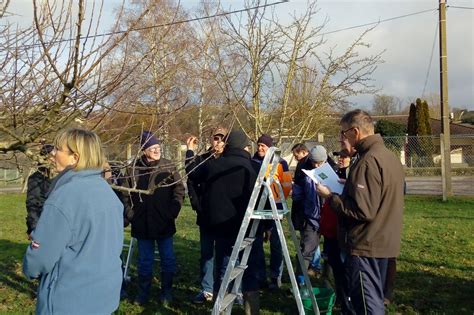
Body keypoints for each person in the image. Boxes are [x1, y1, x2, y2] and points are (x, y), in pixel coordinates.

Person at [23, 128, 124, 315]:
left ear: (74, 158)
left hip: (70, 299)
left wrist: (29, 268)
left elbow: (42, 256)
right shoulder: (108, 192)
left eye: (58, 149)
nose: (52, 153)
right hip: (104, 296)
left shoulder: (64, 198)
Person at [316, 109, 404, 315]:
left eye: (343, 133)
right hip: (384, 241)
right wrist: (351, 186)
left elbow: (363, 211)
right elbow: (379, 195)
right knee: (375, 301)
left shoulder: (367, 161)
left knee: (366, 304)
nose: (341, 138)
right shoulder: (388, 157)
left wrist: (330, 197)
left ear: (355, 131)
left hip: (366, 245)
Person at [186, 129, 259, 314]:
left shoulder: (215, 165)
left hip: (221, 224)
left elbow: (192, 172)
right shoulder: (253, 167)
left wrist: (189, 152)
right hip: (245, 225)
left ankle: (221, 301)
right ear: (243, 146)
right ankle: (243, 300)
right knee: (241, 263)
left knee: (223, 262)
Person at [121, 131, 185, 305]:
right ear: (144, 150)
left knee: (168, 260)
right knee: (144, 261)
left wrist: (172, 211)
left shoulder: (168, 166)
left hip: (164, 222)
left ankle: (166, 292)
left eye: (158, 147)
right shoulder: (133, 168)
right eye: (153, 147)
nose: (157, 150)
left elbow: (179, 190)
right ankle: (143, 293)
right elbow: (125, 195)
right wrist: (130, 214)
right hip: (142, 223)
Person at [185, 127, 227, 304]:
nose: (217, 142)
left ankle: (226, 289)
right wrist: (197, 204)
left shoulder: (229, 160)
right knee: (207, 253)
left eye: (221, 138)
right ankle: (207, 289)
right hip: (206, 215)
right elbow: (191, 179)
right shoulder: (202, 160)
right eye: (215, 138)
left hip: (225, 216)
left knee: (226, 254)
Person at [251, 134, 291, 289]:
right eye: (258, 145)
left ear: (270, 147)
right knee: (257, 244)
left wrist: (277, 198)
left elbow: (287, 185)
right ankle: (260, 276)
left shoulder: (281, 163)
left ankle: (276, 276)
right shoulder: (252, 161)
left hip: (275, 208)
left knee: (276, 244)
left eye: (263, 146)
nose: (260, 148)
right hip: (257, 208)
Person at [291, 145, 327, 277]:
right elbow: (297, 194)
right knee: (305, 251)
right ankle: (301, 283)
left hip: (328, 217)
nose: (317, 166)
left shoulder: (331, 170)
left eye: (320, 163)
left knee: (331, 253)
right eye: (314, 162)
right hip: (311, 218)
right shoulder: (304, 171)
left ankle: (326, 280)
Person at [25, 144, 54, 238]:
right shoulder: (36, 179)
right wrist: (35, 229)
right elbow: (33, 204)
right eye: (52, 156)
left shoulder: (60, 176)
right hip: (42, 225)